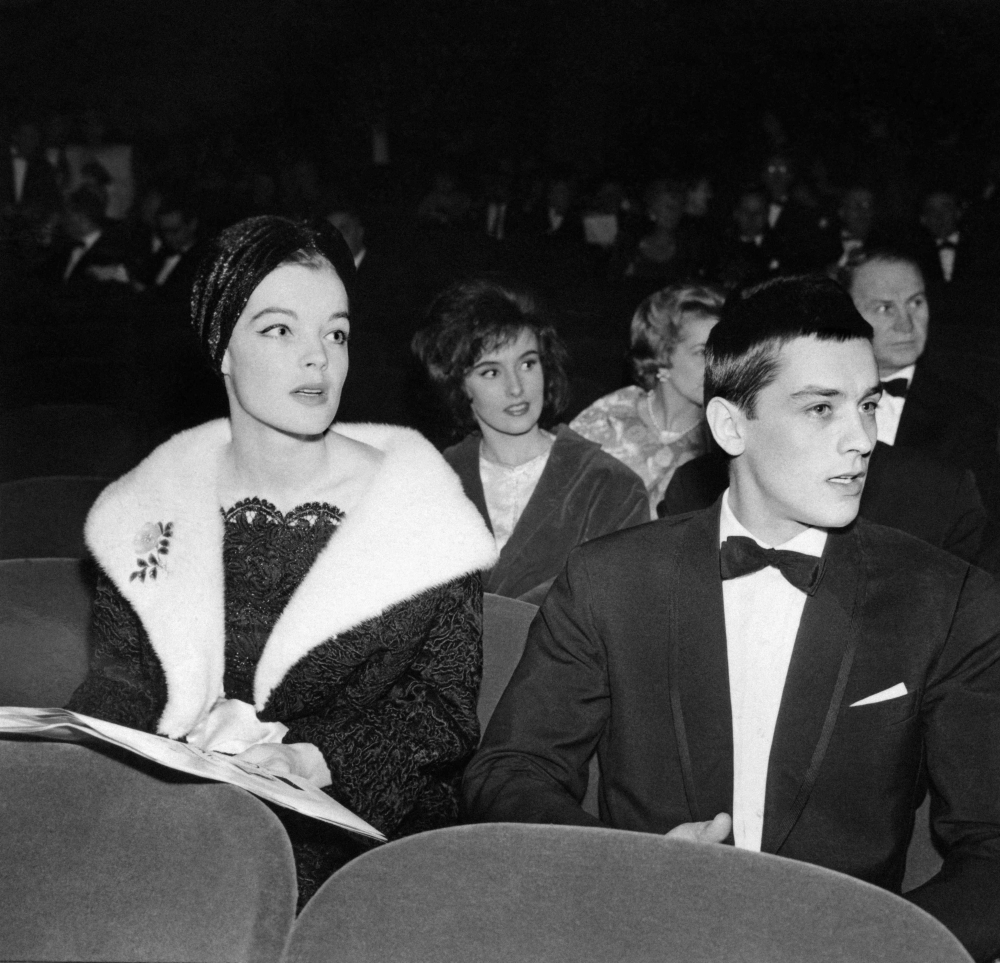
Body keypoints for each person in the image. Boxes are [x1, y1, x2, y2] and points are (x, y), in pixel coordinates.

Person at [463, 274, 1000, 963]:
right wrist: (625, 870)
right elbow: (510, 770)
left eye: (866, 405)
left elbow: (991, 847)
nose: (862, 438)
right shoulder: (610, 580)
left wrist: (877, 950)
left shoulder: (946, 599)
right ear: (728, 424)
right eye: (820, 409)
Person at [67, 215, 497, 906]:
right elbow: (123, 677)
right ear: (222, 348)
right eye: (279, 329)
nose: (318, 358)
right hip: (184, 816)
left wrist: (307, 757)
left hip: (355, 837)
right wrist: (93, 738)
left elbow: (440, 714)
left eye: (335, 332)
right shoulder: (153, 506)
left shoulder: (421, 511)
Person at [413, 278, 647, 605]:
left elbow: (619, 618)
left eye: (527, 363)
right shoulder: (433, 482)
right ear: (459, 384)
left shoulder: (611, 486)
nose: (516, 388)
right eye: (491, 372)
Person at [840, 247, 1000, 515]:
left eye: (915, 302)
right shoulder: (813, 399)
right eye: (885, 308)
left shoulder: (969, 416)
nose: (906, 325)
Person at [570, 283, 725, 518]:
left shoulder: (723, 435)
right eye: (702, 352)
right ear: (662, 354)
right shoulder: (612, 413)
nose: (717, 365)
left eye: (722, 351)